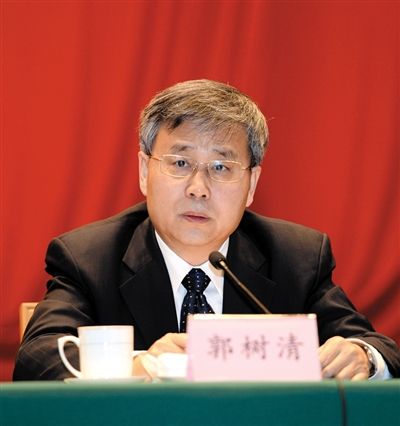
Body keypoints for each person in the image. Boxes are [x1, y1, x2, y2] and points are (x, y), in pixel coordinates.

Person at [13, 79, 400, 380]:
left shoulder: (296, 258)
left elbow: (378, 349)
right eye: (180, 163)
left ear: (251, 184)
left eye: (221, 167)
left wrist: (362, 357)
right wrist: (137, 366)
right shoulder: (89, 257)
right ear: (145, 171)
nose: (198, 188)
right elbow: (37, 357)